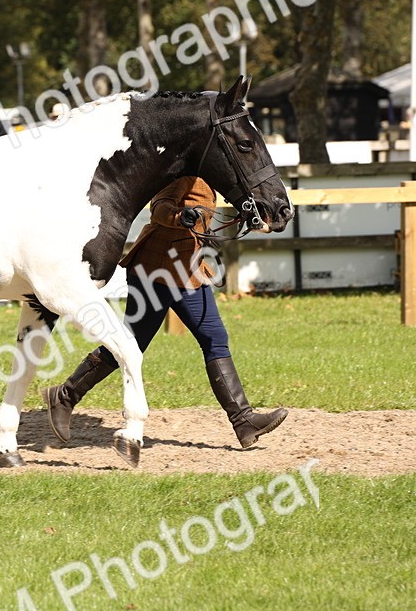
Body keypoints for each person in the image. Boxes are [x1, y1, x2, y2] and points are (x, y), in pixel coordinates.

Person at [42, 176, 288, 449]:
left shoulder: (207, 172)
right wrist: (181, 216)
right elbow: (158, 206)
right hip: (154, 271)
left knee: (214, 338)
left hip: (187, 271)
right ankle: (64, 396)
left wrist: (256, 215)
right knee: (129, 344)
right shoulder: (185, 173)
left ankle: (243, 421)